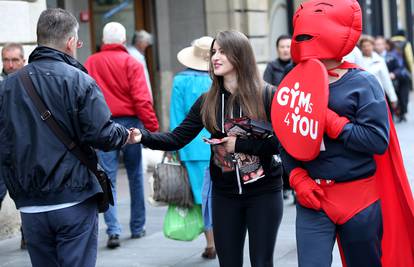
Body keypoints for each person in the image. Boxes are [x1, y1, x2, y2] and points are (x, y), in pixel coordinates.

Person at [274, 1, 414, 266]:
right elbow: (284, 136)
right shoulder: (293, 80)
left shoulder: (363, 82)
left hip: (358, 198)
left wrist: (329, 121)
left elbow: (376, 140)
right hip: (312, 199)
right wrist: (296, 177)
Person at [131, 30, 284, 267]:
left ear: (240, 56)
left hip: (264, 192)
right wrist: (143, 137)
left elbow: (282, 142)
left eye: (222, 52)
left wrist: (241, 144)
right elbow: (177, 138)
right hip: (224, 195)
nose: (215, 57)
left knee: (262, 262)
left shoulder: (267, 95)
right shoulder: (207, 100)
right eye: (214, 52)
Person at [0, 8, 134, 267]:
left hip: (30, 205)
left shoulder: (7, 87)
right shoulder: (79, 80)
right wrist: (125, 135)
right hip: (73, 197)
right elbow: (102, 134)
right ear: (71, 42)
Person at [85, 22, 159, 249]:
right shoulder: (131, 62)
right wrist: (152, 128)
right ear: (124, 40)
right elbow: (141, 99)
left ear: (104, 41)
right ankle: (137, 227)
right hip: (130, 125)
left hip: (103, 124)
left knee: (107, 177)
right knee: (136, 176)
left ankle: (113, 230)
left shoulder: (90, 62)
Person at [171, 36, 216, 259]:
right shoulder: (217, 79)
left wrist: (173, 147)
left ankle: (210, 242)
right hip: (220, 145)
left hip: (190, 147)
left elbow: (176, 118)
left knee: (201, 195)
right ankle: (221, 237)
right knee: (219, 194)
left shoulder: (180, 80)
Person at [0, 42, 27, 250]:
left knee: (28, 198)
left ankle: (28, 235)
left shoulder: (30, 83)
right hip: (2, 152)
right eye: (6, 60)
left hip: (25, 152)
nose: (10, 65)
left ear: (23, 61)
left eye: (14, 60)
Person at [262, 35, 294, 201]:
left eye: (288, 46)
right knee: (278, 150)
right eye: (282, 47)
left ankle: (293, 186)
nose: (285, 50)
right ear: (277, 49)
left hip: (293, 114)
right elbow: (266, 88)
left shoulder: (297, 65)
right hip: (275, 114)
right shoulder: (271, 67)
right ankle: (281, 185)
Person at [359, 35, 398, 111]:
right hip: (363, 96)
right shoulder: (358, 60)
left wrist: (392, 98)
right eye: (364, 46)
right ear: (361, 47)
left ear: (372, 46)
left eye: (368, 45)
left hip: (378, 95)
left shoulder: (379, 60)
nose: (366, 48)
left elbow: (386, 79)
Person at [128, 30, 153, 99]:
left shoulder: (135, 54)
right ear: (139, 42)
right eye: (146, 42)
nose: (146, 45)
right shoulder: (135, 56)